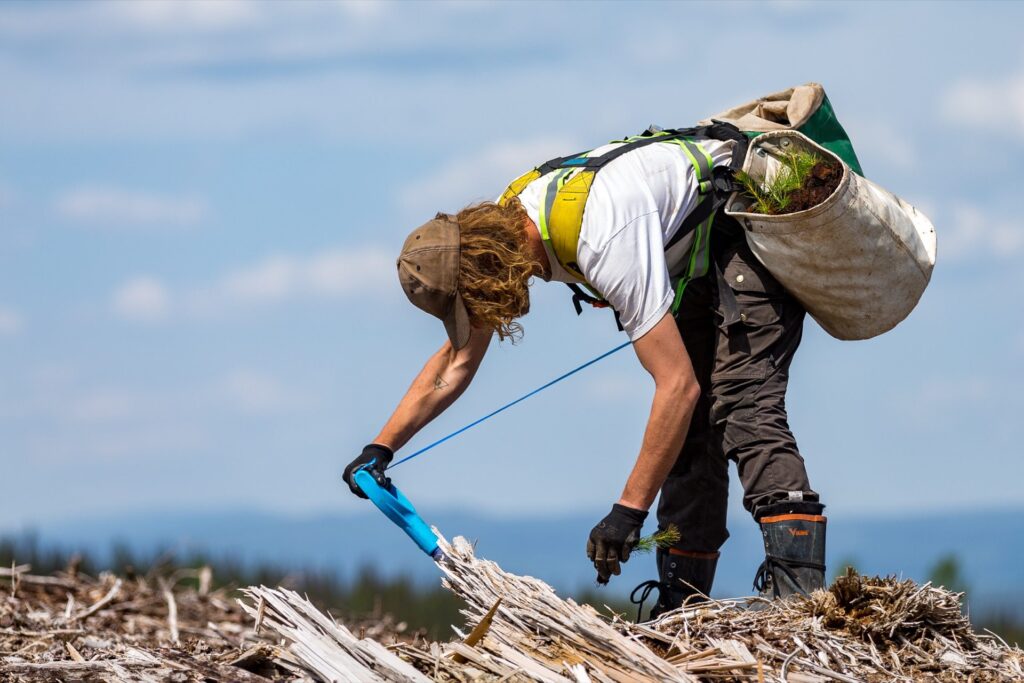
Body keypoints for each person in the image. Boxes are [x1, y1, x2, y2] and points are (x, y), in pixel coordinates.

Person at [343, 129, 827, 619]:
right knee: (690, 433)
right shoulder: (499, 228)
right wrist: (380, 449)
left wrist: (628, 512)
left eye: (472, 305)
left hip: (748, 227)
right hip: (699, 259)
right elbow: (456, 362)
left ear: (489, 274)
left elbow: (676, 386)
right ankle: (688, 611)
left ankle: (800, 604)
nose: (482, 318)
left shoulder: (605, 236)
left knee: (742, 404)